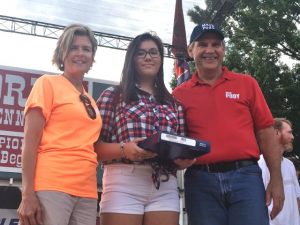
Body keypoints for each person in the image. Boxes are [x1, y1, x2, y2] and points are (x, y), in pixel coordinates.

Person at [172, 23, 284, 225]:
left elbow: (266, 132)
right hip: (201, 182)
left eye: (216, 44)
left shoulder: (247, 84)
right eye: (202, 44)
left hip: (246, 178)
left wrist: (276, 180)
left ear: (223, 49)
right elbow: (175, 139)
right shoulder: (179, 94)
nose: (210, 50)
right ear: (191, 50)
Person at [95, 32, 195, 225]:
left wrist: (184, 159)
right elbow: (93, 148)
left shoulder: (174, 103)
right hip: (123, 181)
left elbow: (180, 146)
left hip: (165, 183)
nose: (148, 57)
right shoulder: (113, 95)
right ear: (131, 59)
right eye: (141, 53)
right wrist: (125, 149)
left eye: (153, 52)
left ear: (160, 59)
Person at [17, 24, 101, 225]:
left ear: (92, 57)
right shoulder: (47, 83)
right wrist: (27, 193)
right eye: (73, 47)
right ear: (62, 53)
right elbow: (30, 143)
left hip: (87, 191)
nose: (80, 53)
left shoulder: (90, 100)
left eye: (86, 49)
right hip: (52, 184)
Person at [259, 118, 300, 225]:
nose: (292, 137)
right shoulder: (260, 164)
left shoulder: (290, 165)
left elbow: (297, 197)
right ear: (277, 132)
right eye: (289, 132)